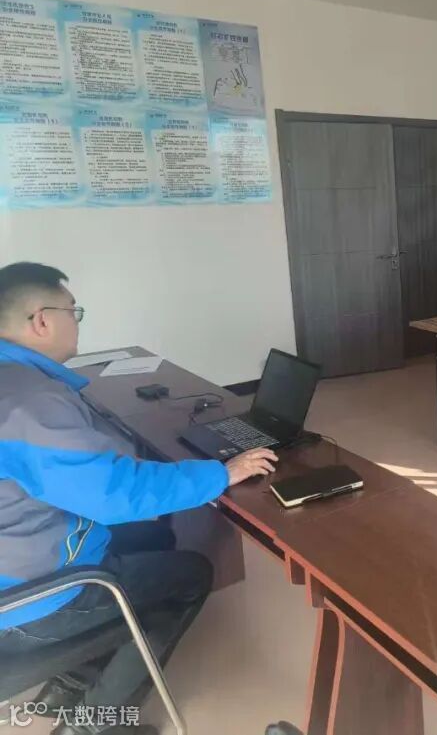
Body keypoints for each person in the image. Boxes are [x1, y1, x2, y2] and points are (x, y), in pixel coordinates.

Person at [0, 262, 277, 735]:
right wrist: (220, 473)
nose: (78, 322)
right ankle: (95, 723)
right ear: (41, 321)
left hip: (21, 555)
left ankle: (71, 682)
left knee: (153, 537)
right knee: (190, 574)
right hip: (26, 598)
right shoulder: (29, 402)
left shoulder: (17, 382)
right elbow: (113, 495)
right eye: (73, 312)